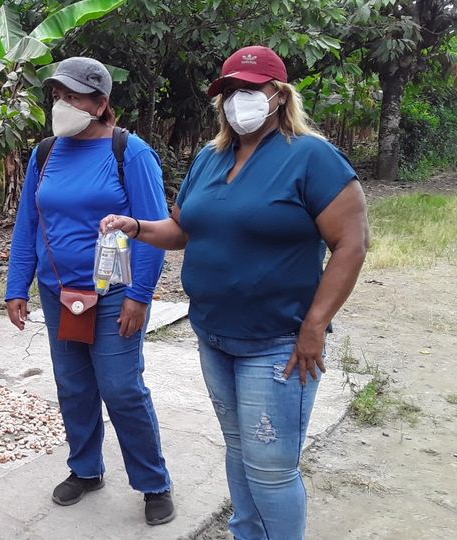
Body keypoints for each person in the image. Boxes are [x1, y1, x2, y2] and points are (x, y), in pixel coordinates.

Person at [101, 45, 370, 539]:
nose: (236, 99)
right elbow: (182, 231)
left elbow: (351, 244)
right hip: (215, 335)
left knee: (271, 468)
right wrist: (136, 226)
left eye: (250, 89)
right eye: (228, 91)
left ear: (279, 95)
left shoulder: (312, 157)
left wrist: (314, 325)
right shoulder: (210, 158)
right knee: (239, 448)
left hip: (279, 341)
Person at [5, 57, 176, 526]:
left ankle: (153, 482)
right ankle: (85, 469)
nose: (62, 104)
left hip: (116, 292)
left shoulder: (129, 152)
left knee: (121, 388)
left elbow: (155, 230)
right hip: (58, 291)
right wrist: (17, 286)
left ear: (100, 104)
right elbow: (28, 224)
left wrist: (141, 295)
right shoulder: (45, 153)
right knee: (73, 386)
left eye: (74, 96)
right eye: (58, 95)